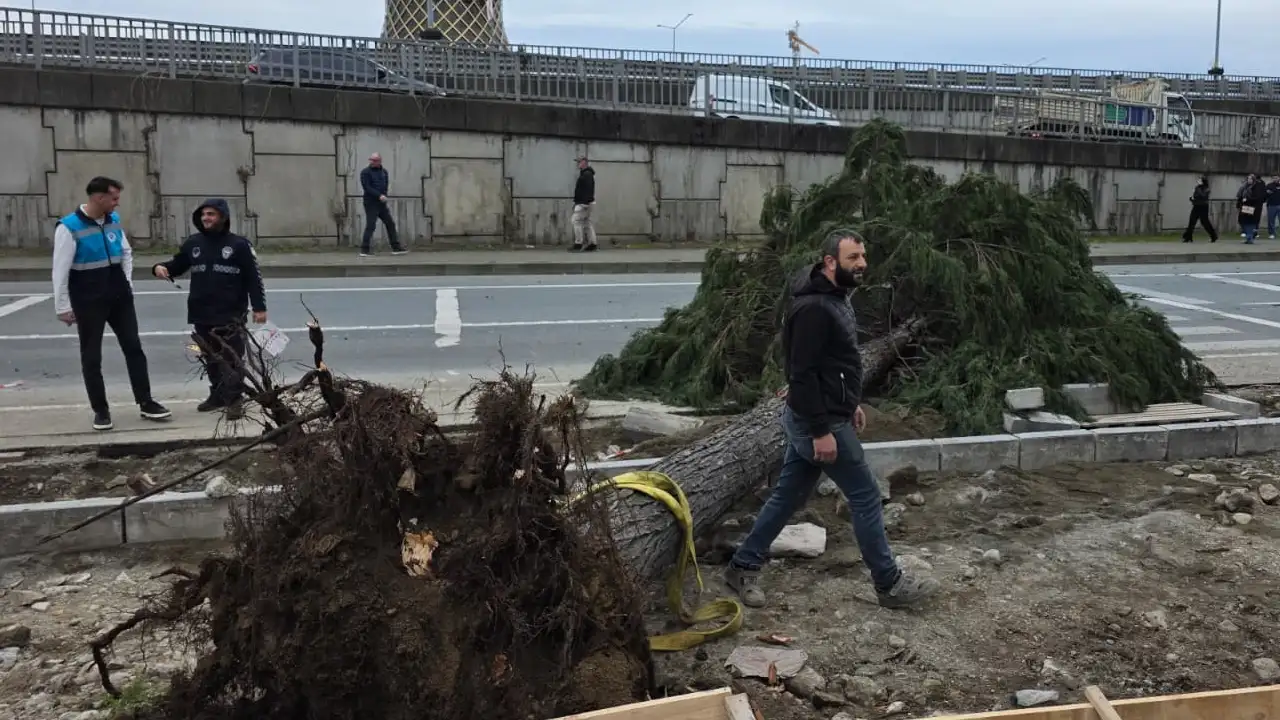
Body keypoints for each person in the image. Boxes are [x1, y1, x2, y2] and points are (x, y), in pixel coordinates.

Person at [724, 229, 938, 610]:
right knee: (866, 495)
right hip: (816, 422)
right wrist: (822, 429)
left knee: (788, 495)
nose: (862, 264)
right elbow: (801, 374)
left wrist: (849, 402)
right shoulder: (814, 309)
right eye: (853, 258)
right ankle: (889, 584)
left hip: (824, 413)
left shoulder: (835, 296)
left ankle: (743, 564)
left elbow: (833, 364)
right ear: (829, 262)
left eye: (863, 256)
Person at [51, 176, 171, 431]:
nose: (117, 204)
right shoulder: (69, 227)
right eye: (114, 198)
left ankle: (146, 402)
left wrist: (127, 283)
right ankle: (101, 410)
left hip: (119, 298)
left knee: (134, 348)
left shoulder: (113, 221)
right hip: (89, 301)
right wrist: (62, 306)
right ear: (98, 198)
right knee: (92, 356)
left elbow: (126, 253)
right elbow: (59, 271)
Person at [152, 199, 268, 420]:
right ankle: (217, 395)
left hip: (231, 313)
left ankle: (234, 400)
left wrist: (259, 307)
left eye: (211, 214)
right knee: (209, 356)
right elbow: (177, 265)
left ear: (223, 218)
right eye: (204, 214)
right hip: (201, 312)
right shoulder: (193, 244)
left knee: (232, 358)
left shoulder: (239, 245)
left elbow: (254, 278)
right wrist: (160, 267)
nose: (206, 218)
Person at [359, 152, 407, 257]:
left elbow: (385, 185)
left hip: (381, 203)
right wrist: (379, 195)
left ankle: (396, 247)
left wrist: (384, 195)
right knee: (371, 225)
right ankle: (364, 249)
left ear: (379, 161)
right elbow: (367, 187)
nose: (372, 162)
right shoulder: (365, 172)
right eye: (371, 160)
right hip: (371, 203)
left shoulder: (384, 172)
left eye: (374, 160)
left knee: (390, 223)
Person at [569, 156, 598, 252]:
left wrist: (584, 202)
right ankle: (592, 243)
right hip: (587, 202)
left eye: (579, 162)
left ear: (584, 162)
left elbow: (587, 190)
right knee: (587, 222)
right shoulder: (587, 173)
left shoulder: (586, 174)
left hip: (584, 203)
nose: (578, 164)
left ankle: (578, 243)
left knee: (576, 220)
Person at [1181, 175, 1218, 243]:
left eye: (1200, 180)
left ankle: (1213, 235)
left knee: (1205, 222)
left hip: (1203, 207)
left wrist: (1198, 190)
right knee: (1192, 221)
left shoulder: (1207, 189)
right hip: (1196, 206)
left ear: (1203, 181)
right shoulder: (1197, 187)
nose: (1198, 181)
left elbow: (1203, 196)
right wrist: (1192, 199)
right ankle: (1188, 236)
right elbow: (1195, 196)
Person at [1238, 173, 1268, 245]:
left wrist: (1247, 199)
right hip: (1245, 206)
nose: (1249, 180)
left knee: (1250, 223)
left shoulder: (1256, 187)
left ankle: (1250, 238)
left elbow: (1257, 197)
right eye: (1248, 178)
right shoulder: (1245, 186)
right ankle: (1250, 235)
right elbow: (1240, 196)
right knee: (1242, 221)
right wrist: (1240, 203)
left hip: (1253, 207)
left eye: (1251, 179)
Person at [1266, 174, 1280, 240]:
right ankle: (1272, 233)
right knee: (1271, 220)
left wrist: (1273, 191)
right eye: (1274, 178)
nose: (1275, 179)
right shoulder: (1269, 185)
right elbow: (1266, 193)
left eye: (1276, 178)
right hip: (1271, 205)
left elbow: (1272, 192)